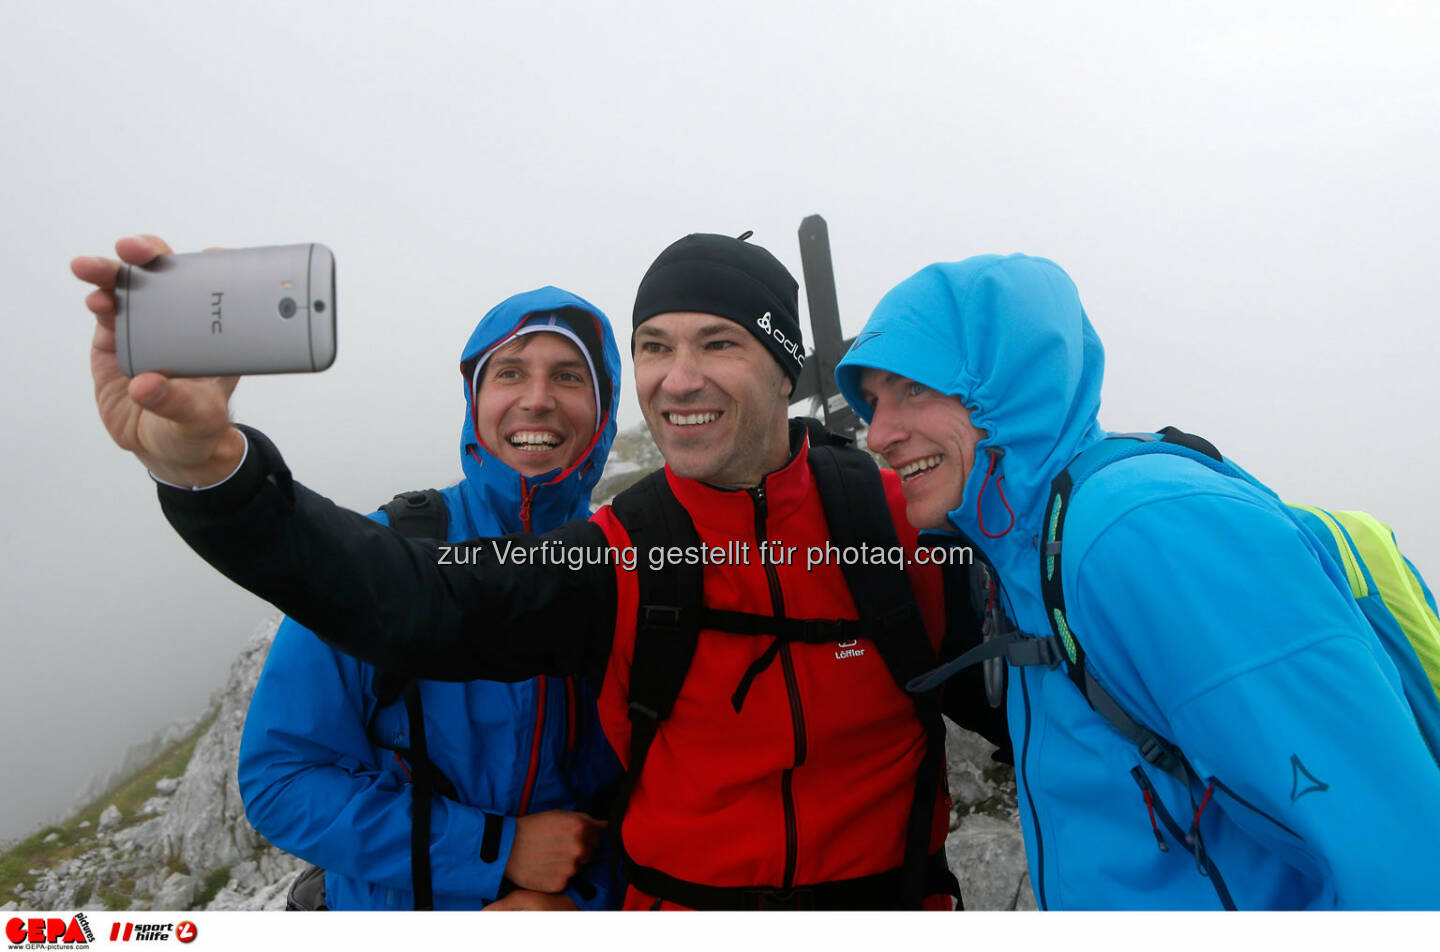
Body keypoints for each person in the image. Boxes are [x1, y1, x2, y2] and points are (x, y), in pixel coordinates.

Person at [76, 233, 987, 910]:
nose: (677, 378)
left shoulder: (901, 530)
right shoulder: (611, 554)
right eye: (655, 348)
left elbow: (1045, 692)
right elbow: (407, 609)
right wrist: (208, 466)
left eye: (718, 343)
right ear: (472, 399)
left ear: (784, 370)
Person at [832, 252, 1440, 909]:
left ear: (1009, 382)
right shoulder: (1027, 552)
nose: (881, 433)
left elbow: (1392, 855)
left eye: (913, 389)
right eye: (872, 402)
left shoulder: (1140, 531)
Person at [237, 287, 624, 911]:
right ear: (475, 401)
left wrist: (585, 903)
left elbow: (667, 795)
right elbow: (281, 779)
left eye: (569, 376)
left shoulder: (626, 567)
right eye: (510, 372)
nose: (537, 398)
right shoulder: (388, 555)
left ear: (602, 410)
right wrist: (495, 850)